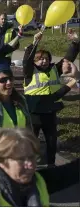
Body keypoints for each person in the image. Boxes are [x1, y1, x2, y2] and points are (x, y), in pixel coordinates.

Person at [23, 31, 79, 167]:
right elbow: (27, 60)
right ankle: (28, 166)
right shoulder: (29, 71)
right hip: (34, 114)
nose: (44, 61)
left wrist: (75, 43)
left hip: (50, 113)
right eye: (40, 59)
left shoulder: (54, 69)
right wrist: (34, 42)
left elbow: (68, 59)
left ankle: (51, 165)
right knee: (31, 143)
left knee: (51, 142)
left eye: (47, 58)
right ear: (35, 61)